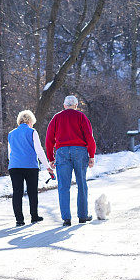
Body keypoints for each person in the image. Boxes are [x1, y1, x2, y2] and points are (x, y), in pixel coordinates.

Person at [45, 95, 96, 227]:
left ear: (64, 105)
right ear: (76, 105)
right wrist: (91, 155)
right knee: (81, 183)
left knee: (63, 186)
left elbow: (49, 138)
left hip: (62, 152)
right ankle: (83, 216)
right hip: (80, 151)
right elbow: (89, 137)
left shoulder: (56, 118)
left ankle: (66, 218)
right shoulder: (81, 117)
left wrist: (51, 157)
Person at [7, 110, 53, 226]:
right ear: (29, 121)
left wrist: (14, 162)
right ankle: (34, 216)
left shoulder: (11, 134)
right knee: (32, 192)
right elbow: (39, 151)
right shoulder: (32, 132)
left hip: (14, 166)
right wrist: (47, 166)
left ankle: (19, 219)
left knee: (17, 192)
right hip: (30, 166)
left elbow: (10, 153)